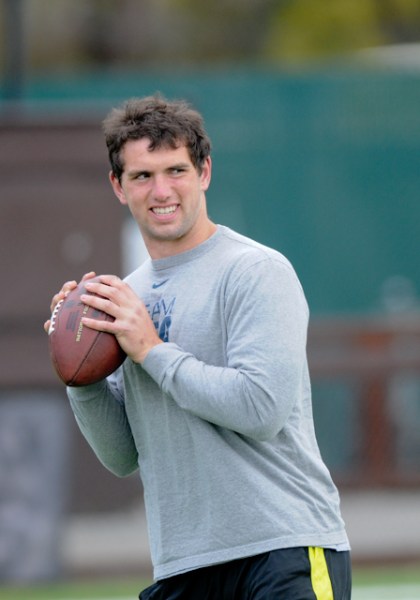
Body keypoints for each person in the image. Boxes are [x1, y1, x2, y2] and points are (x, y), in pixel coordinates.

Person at [45, 95, 351, 599]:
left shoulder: (256, 272)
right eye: (142, 176)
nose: (161, 191)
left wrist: (151, 350)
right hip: (183, 564)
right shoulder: (124, 298)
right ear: (118, 187)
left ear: (204, 172)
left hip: (283, 550)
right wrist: (80, 374)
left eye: (176, 170)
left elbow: (261, 407)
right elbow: (123, 455)